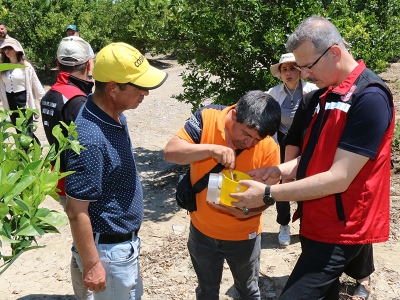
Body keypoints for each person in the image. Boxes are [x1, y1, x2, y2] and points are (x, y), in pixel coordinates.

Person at [231, 15, 394, 300]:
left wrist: (269, 193)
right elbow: (312, 156)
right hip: (314, 218)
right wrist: (280, 170)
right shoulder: (326, 94)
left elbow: (339, 177)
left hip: (342, 228)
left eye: (307, 66)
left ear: (334, 53)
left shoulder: (370, 98)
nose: (303, 74)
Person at [65, 42, 168, 300]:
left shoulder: (114, 115)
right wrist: (92, 265)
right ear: (112, 88)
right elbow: (76, 210)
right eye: (138, 86)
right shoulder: (90, 138)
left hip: (120, 249)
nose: (146, 92)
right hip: (108, 253)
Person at [163, 90, 281, 300]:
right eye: (246, 134)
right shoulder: (207, 118)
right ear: (235, 114)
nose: (250, 143)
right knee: (207, 292)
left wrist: (248, 211)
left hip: (244, 236)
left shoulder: (270, 146)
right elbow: (171, 151)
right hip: (202, 232)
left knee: (248, 292)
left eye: (257, 139)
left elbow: (270, 195)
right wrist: (211, 150)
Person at [40, 36, 94, 300]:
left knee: (78, 241)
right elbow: (85, 149)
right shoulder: (78, 101)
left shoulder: (50, 94)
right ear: (88, 64)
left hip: (61, 178)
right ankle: (87, 295)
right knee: (86, 244)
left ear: (58, 63)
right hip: (79, 183)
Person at [266, 52, 317, 246]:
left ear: (300, 70)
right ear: (280, 73)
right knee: (282, 184)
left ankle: (307, 225)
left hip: (305, 143)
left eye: (292, 68)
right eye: (284, 69)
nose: (288, 73)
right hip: (280, 143)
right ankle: (284, 224)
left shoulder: (312, 90)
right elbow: (268, 121)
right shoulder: (273, 92)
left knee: (307, 183)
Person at [0, 38, 45, 143]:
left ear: (16, 50)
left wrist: (43, 99)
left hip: (23, 100)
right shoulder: (3, 68)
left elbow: (35, 83)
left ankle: (28, 151)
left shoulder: (25, 66)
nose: (7, 50)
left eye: (10, 48)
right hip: (10, 101)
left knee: (26, 128)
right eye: (5, 48)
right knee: (18, 129)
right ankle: (32, 147)